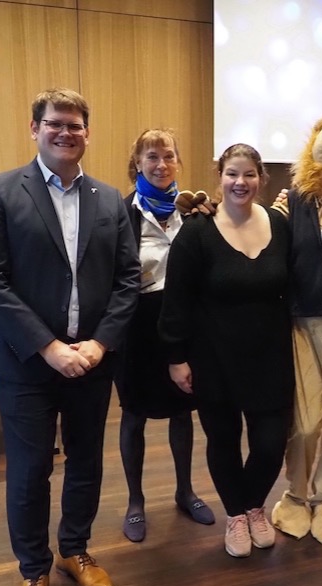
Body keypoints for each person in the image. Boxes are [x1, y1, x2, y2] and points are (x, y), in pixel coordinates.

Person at [0, 88, 140, 586]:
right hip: (26, 361)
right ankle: (33, 568)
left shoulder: (109, 199)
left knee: (87, 461)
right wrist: (49, 347)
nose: (65, 132)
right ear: (34, 129)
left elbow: (128, 279)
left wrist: (99, 344)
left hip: (91, 361)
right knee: (30, 469)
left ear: (88, 133)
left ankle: (74, 550)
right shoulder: (0, 191)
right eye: (55, 124)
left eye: (75, 125)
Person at [158, 143, 295, 558]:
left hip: (270, 356)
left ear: (261, 179)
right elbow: (176, 299)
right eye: (232, 174)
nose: (241, 182)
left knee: (271, 444)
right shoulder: (197, 231)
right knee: (223, 439)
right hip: (213, 358)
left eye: (249, 174)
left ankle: (252, 503)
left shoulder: (279, 223)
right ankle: (237, 513)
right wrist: (176, 357)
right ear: (219, 176)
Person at [114, 128, 215, 543]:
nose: (161, 164)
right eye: (151, 157)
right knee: (134, 414)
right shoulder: (120, 214)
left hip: (184, 326)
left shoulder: (195, 213)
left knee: (181, 410)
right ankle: (135, 501)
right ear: (137, 162)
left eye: (168, 156)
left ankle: (184, 491)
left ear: (178, 162)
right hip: (137, 326)